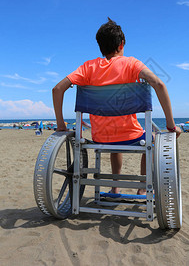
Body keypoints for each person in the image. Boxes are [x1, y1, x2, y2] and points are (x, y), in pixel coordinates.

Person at [52, 18, 181, 195]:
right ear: (122, 44)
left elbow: (57, 89)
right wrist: (171, 125)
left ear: (100, 46)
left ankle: (115, 187)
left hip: (100, 138)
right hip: (131, 136)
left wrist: (60, 124)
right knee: (151, 137)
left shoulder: (88, 67)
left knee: (115, 143)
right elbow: (158, 84)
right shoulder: (132, 64)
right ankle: (142, 189)